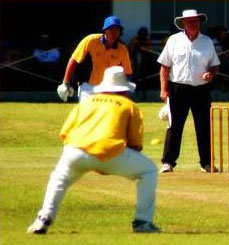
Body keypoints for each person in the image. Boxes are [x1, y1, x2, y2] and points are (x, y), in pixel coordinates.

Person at [27, 66, 159, 234]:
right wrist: (108, 163)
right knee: (148, 170)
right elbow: (135, 145)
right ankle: (142, 222)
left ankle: (43, 219)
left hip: (75, 149)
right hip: (110, 151)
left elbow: (65, 133)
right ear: (124, 90)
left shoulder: (86, 102)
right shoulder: (129, 105)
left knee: (59, 178)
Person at [157, 9, 220, 173]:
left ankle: (206, 163)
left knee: (204, 126)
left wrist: (210, 74)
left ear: (199, 22)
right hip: (178, 88)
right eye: (189, 21)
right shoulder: (173, 40)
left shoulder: (207, 41)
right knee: (174, 126)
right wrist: (164, 89)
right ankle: (168, 162)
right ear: (183, 23)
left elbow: (215, 65)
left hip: (201, 89)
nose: (193, 24)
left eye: (195, 21)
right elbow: (164, 66)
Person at [56, 16, 132, 102]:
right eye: (111, 29)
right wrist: (65, 83)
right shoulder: (91, 40)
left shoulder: (122, 49)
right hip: (87, 86)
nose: (114, 32)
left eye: (116, 30)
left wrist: (123, 92)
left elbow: (127, 72)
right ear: (105, 30)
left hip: (109, 88)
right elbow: (74, 59)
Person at [128, 27, 155, 99]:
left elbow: (151, 53)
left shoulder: (148, 41)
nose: (142, 36)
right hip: (135, 64)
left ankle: (144, 95)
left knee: (145, 80)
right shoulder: (134, 40)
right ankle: (135, 94)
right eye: (141, 34)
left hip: (146, 64)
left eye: (144, 35)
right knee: (135, 79)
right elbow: (130, 52)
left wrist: (143, 49)